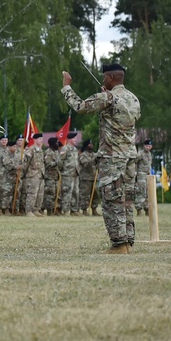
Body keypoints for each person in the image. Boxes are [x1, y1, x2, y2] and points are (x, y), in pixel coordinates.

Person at [62, 64, 141, 253]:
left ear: (112, 78)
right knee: (127, 200)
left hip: (112, 157)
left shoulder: (108, 97)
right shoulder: (133, 98)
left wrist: (66, 87)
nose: (103, 80)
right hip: (130, 156)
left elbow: (80, 106)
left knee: (111, 199)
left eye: (105, 77)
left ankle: (119, 244)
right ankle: (128, 241)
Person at [21, 134, 46, 216]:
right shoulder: (31, 149)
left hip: (40, 174)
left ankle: (36, 209)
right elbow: (26, 163)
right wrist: (25, 172)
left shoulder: (40, 150)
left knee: (40, 193)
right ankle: (29, 210)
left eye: (42, 139)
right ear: (35, 140)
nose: (41, 140)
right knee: (32, 193)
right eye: (39, 139)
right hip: (32, 174)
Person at [60, 131, 81, 215]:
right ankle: (65, 210)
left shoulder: (75, 149)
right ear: (69, 139)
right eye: (73, 138)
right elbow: (60, 161)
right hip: (67, 174)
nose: (75, 139)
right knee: (67, 192)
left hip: (75, 173)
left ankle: (74, 210)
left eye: (75, 138)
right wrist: (63, 170)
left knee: (75, 192)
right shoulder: (65, 149)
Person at [78, 140, 100, 216]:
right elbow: (86, 164)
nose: (91, 145)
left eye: (92, 143)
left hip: (94, 177)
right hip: (86, 178)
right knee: (85, 195)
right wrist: (94, 160)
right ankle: (84, 210)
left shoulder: (95, 154)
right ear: (86, 145)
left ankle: (94, 209)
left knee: (95, 195)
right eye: (89, 144)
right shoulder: (83, 155)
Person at [43, 137, 63, 215]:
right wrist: (56, 163)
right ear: (52, 144)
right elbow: (48, 164)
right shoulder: (48, 153)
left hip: (56, 176)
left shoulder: (56, 152)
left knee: (58, 194)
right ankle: (49, 210)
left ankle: (57, 209)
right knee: (50, 194)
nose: (58, 144)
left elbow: (60, 164)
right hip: (49, 177)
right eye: (56, 142)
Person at [135, 139, 153, 215]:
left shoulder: (150, 154)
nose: (148, 147)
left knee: (147, 193)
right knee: (141, 192)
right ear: (144, 146)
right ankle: (139, 209)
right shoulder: (140, 154)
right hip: (141, 175)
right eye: (146, 146)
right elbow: (134, 162)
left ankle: (147, 209)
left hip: (148, 175)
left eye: (149, 146)